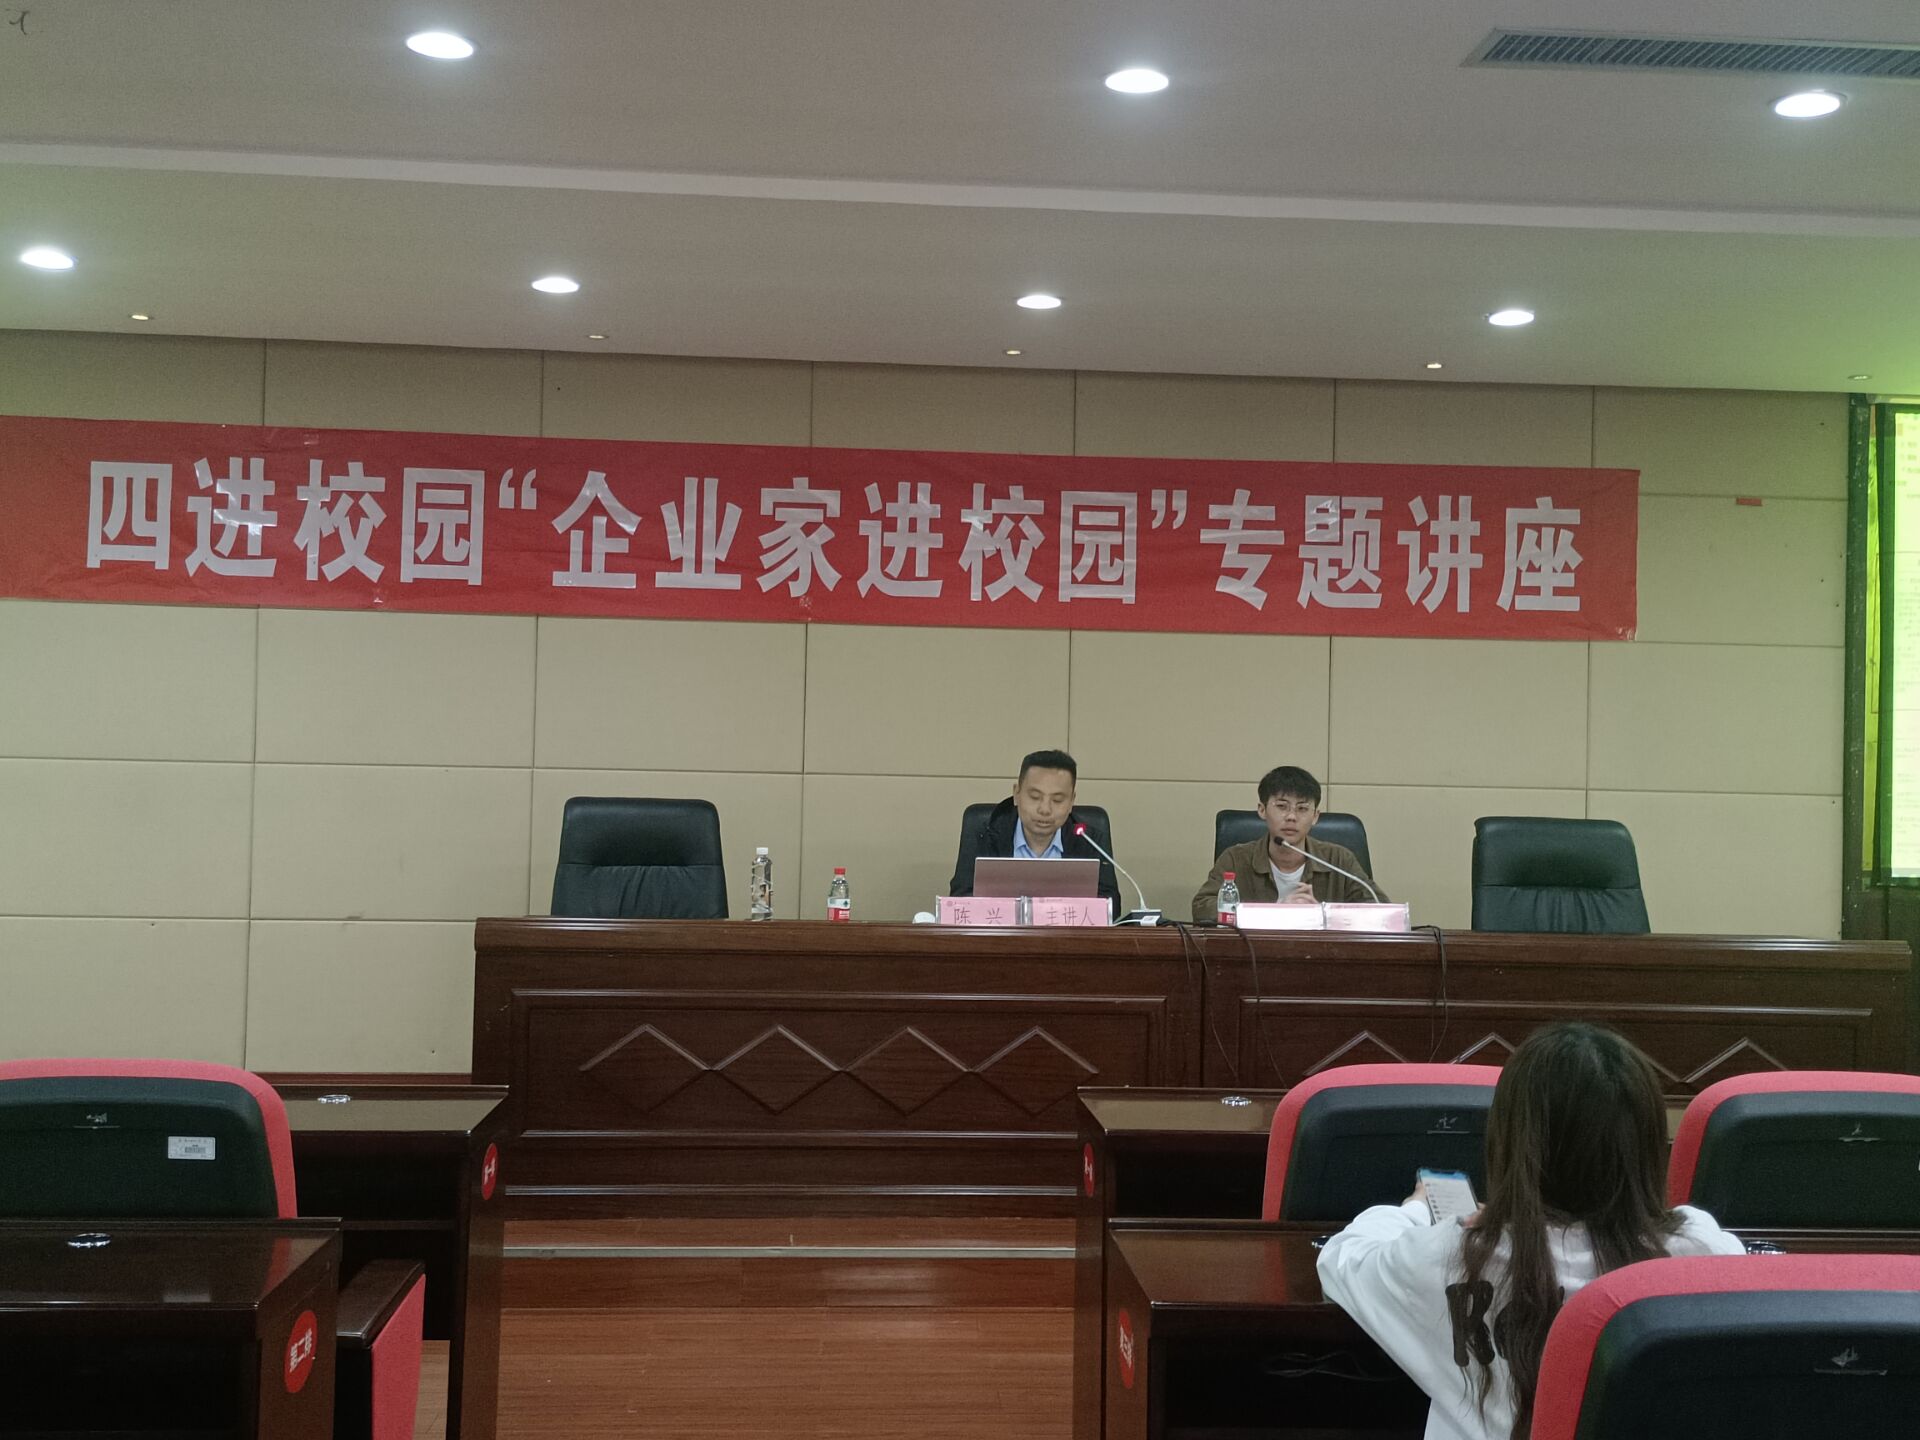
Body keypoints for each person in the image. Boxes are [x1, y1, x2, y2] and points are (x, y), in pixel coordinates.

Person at [1316, 1022, 1747, 1440]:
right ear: (1647, 1143)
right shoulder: (1700, 1252)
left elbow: (1342, 1257)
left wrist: (1415, 1209)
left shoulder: (1456, 1251)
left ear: (1512, 1140)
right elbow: (1703, 1237)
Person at [1191, 765, 1381, 922]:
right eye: (1282, 806)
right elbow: (1202, 908)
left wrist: (1322, 915)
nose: (1291, 816)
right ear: (1262, 810)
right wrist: (1273, 912)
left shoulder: (1338, 860)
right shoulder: (1236, 859)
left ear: (1315, 816)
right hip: (1256, 954)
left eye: (1302, 808)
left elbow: (1380, 910)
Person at [949, 748, 1121, 912]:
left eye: (1057, 800)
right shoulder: (984, 834)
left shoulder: (1089, 840)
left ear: (1071, 802)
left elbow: (1110, 907)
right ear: (1017, 794)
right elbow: (960, 899)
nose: (1045, 809)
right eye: (1035, 797)